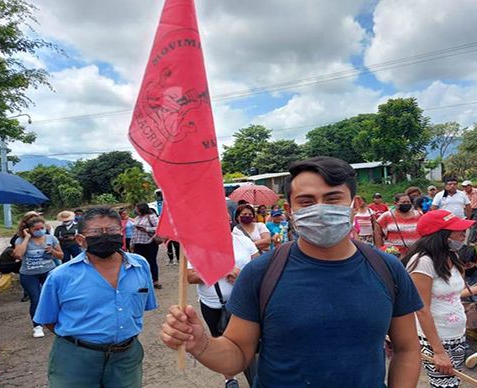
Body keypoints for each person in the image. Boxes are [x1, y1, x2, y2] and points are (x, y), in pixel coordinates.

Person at [161, 156, 424, 387]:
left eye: (332, 199)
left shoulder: (387, 269)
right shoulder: (261, 274)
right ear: (290, 210)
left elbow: (407, 348)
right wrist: (201, 343)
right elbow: (237, 355)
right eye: (306, 201)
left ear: (353, 205)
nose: (320, 209)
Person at [34, 207, 157, 388]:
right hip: (75, 359)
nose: (105, 236)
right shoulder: (60, 276)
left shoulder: (140, 265)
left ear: (121, 232)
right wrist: (84, 339)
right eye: (97, 232)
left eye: (113, 231)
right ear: (80, 239)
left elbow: (142, 306)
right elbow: (48, 320)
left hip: (127, 357)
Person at [402, 209, 475, 388]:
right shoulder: (422, 262)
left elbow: (455, 295)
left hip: (457, 335)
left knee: (453, 383)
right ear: (441, 235)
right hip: (437, 339)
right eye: (458, 231)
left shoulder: (452, 256)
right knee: (444, 386)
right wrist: (438, 351)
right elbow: (422, 309)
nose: (463, 234)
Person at [188, 209, 260, 388]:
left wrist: (241, 275)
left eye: (225, 218)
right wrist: (221, 269)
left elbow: (259, 271)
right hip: (213, 305)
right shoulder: (197, 247)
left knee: (252, 340)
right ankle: (229, 378)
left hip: (246, 303)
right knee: (220, 340)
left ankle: (255, 378)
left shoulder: (243, 242)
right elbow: (190, 277)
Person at [13, 216, 64, 338]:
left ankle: (56, 321)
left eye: (42, 228)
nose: (40, 230)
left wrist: (52, 251)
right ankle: (37, 326)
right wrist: (26, 238)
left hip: (48, 272)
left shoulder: (51, 238)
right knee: (35, 299)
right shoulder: (21, 240)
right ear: (28, 229)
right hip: (29, 274)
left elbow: (61, 256)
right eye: (36, 229)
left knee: (53, 297)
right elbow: (18, 255)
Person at [132, 203, 162, 289]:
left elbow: (158, 227)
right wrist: (132, 243)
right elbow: (134, 232)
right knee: (140, 263)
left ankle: (155, 280)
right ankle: (143, 281)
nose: (135, 210)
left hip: (150, 243)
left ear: (141, 209)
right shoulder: (137, 218)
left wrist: (146, 229)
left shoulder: (151, 217)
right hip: (138, 244)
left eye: (136, 208)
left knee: (151, 261)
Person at [462, 180, 477, 246]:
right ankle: (476, 240)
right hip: (466, 210)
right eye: (463, 186)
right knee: (469, 226)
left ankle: (469, 242)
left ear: (470, 186)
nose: (465, 188)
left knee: (474, 227)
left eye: (466, 186)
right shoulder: (462, 193)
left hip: (476, 209)